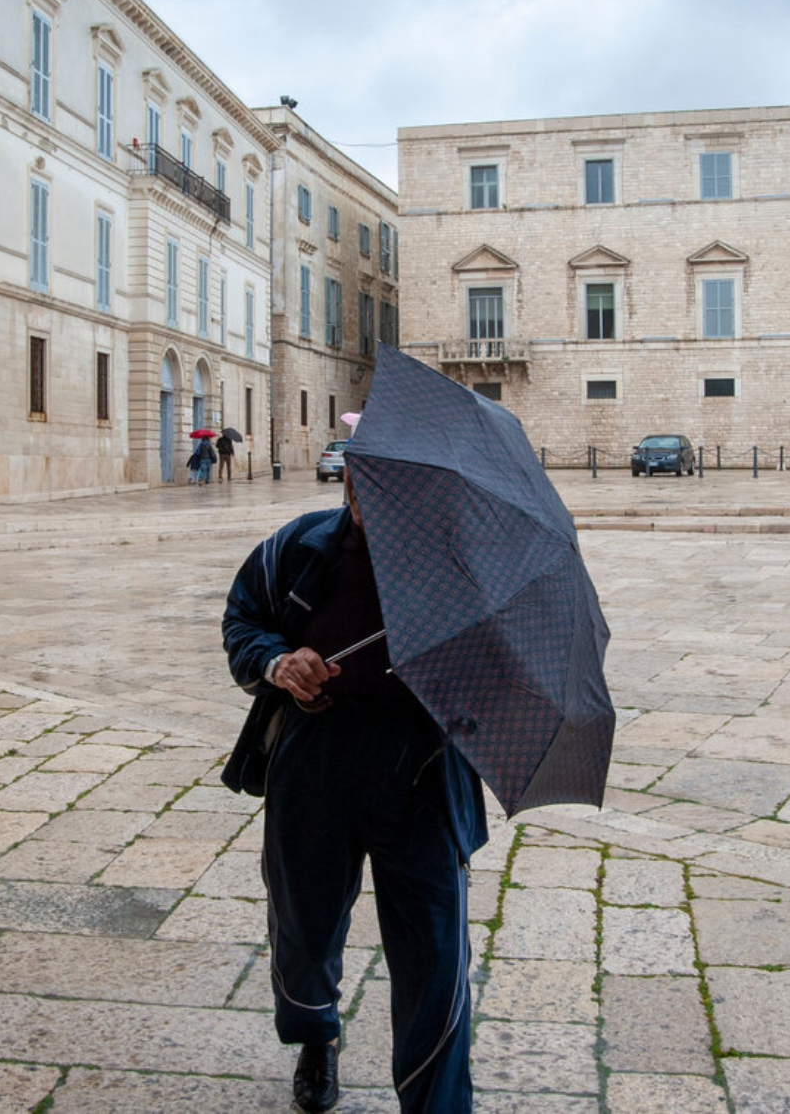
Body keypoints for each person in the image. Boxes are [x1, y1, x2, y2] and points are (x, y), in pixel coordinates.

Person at [221, 467, 487, 1113]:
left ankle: (437, 1103)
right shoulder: (298, 547)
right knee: (304, 926)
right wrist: (279, 663)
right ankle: (317, 1034)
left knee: (435, 950)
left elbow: (498, 670)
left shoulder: (461, 567)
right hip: (315, 762)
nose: (373, 499)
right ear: (348, 485)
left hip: (422, 771)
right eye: (363, 483)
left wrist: (459, 654)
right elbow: (243, 621)